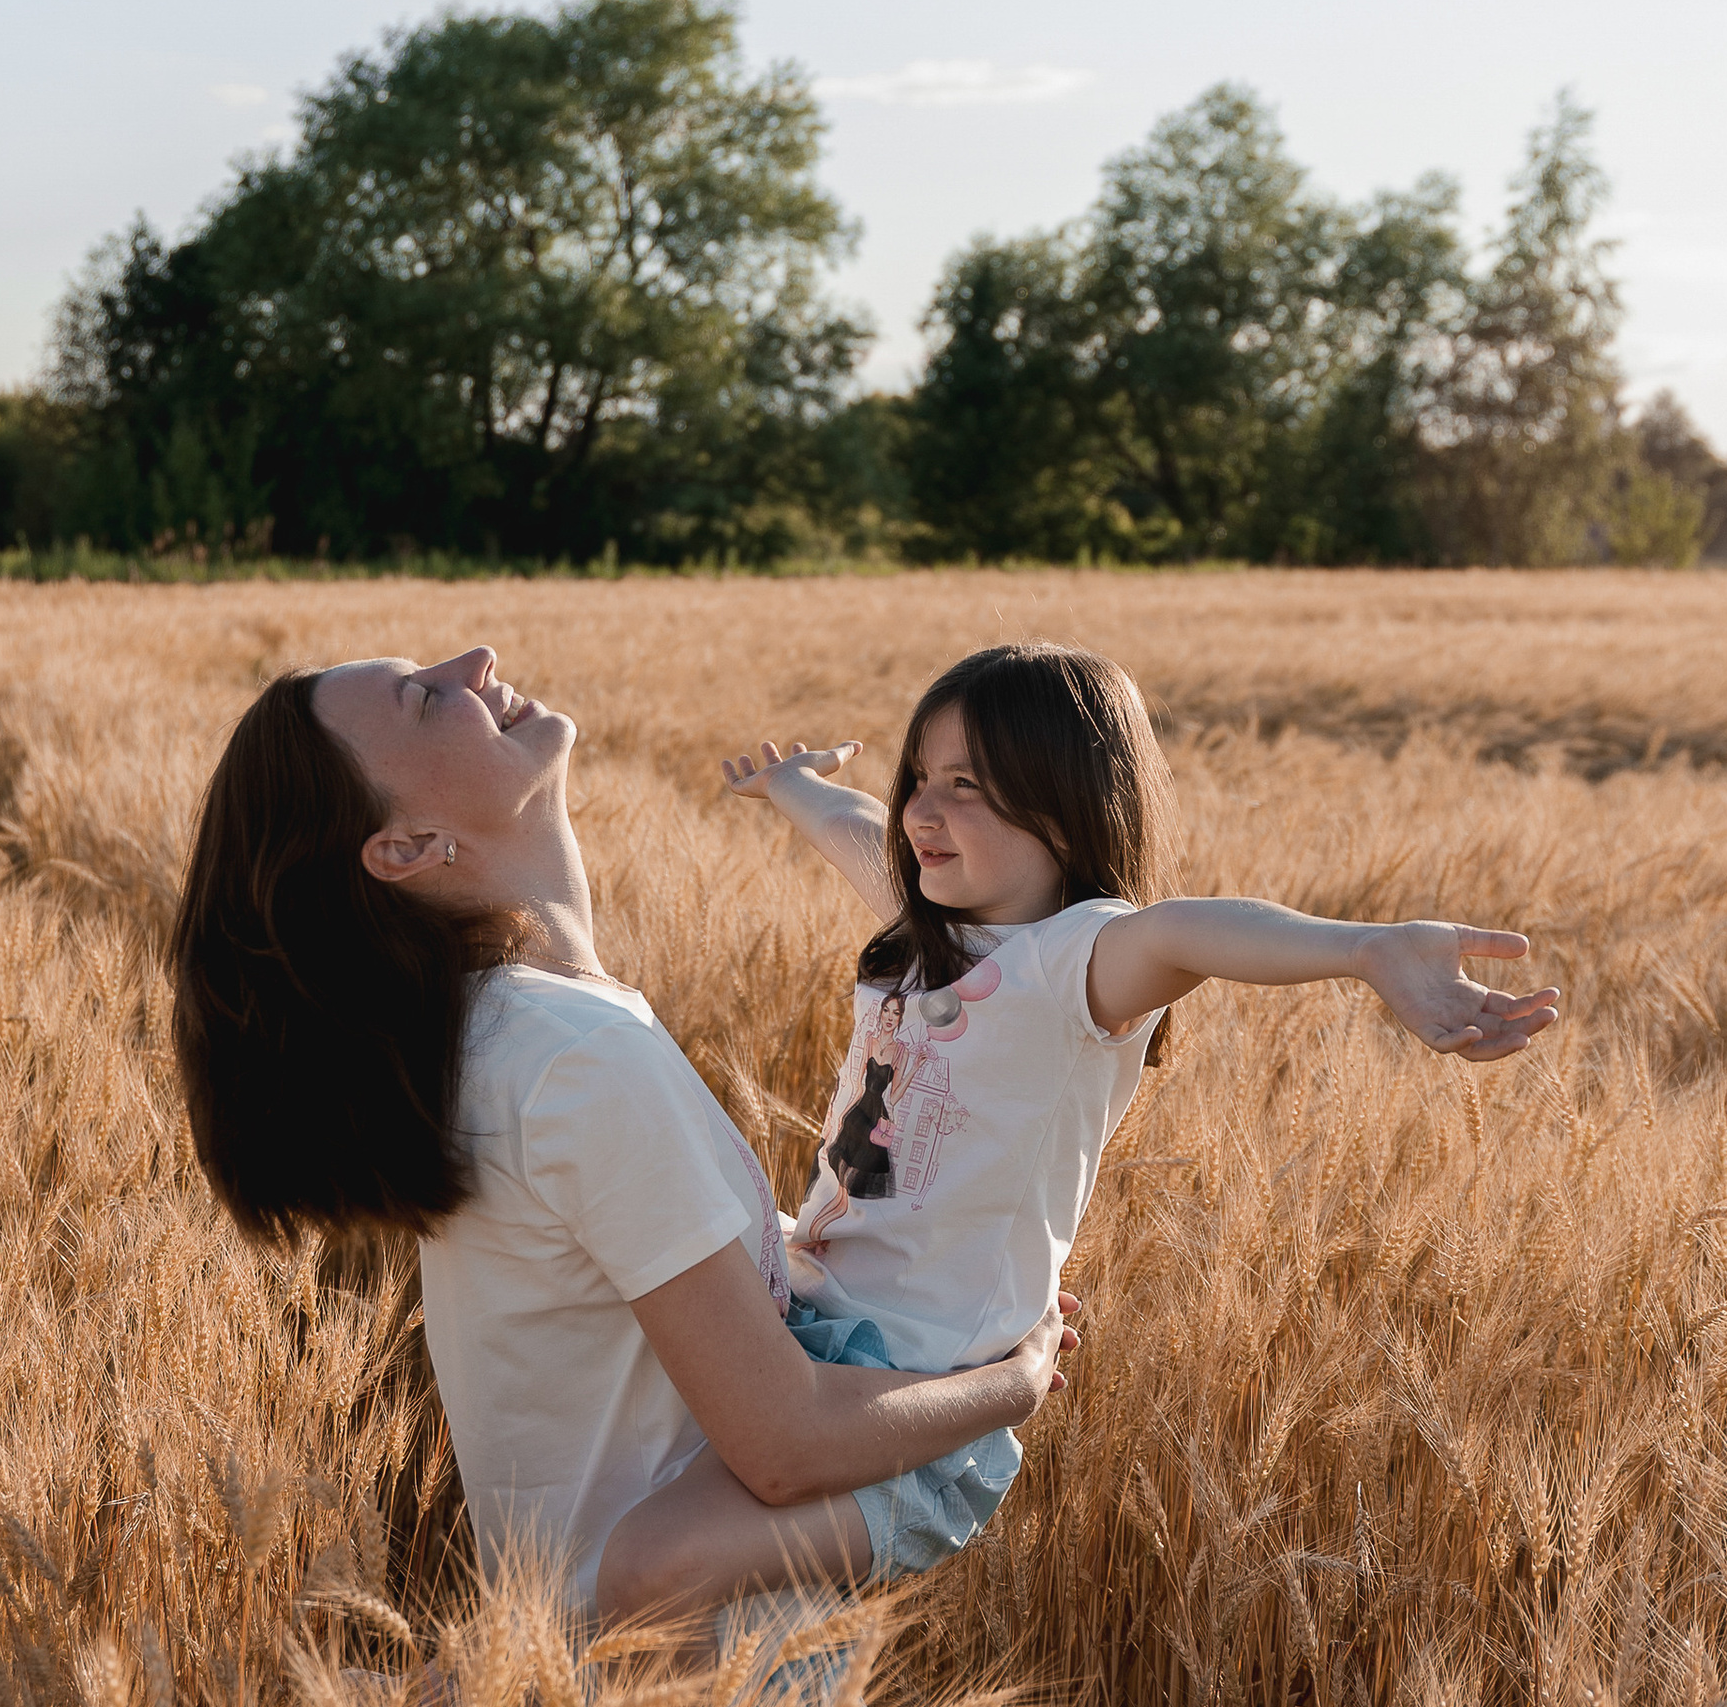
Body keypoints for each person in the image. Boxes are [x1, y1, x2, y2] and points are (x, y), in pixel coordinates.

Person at [592, 640, 1560, 1661]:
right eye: (921, 777)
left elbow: (1188, 931)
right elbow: (855, 834)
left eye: (970, 786)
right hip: (805, 1336)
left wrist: (1363, 949)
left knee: (655, 1569)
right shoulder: (932, 938)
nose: (925, 809)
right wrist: (792, 785)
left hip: (918, 1415)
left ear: (1070, 806)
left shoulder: (1076, 964)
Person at [166, 648, 1080, 1651]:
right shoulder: (571, 1055)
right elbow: (784, 1443)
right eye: (425, 700)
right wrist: (1015, 1378)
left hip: (608, 1689)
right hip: (718, 1697)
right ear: (409, 844)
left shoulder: (507, 1037)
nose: (474, 663)